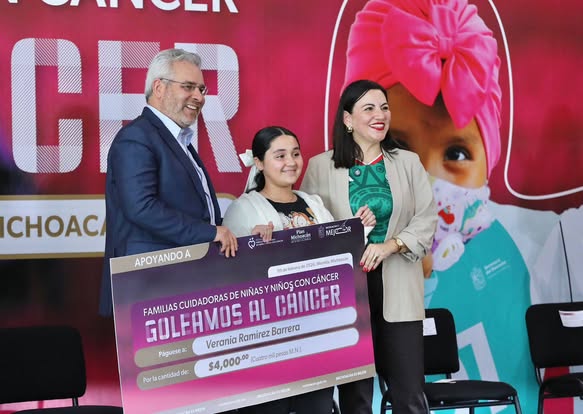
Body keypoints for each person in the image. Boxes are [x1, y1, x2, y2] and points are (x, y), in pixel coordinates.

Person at [341, 1, 557, 413]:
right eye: (396, 146)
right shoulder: (340, 221)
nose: (424, 175)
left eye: (456, 154)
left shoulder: (532, 253)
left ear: (487, 161)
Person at [301, 80, 437, 414]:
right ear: (347, 119)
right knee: (355, 397)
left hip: (399, 286)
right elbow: (309, 227)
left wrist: (391, 245)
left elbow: (427, 219)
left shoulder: (408, 162)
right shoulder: (320, 166)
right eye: (370, 108)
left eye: (385, 108)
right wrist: (349, 233)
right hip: (348, 292)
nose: (380, 115)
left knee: (409, 392)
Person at [223, 125, 376, 414]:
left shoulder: (314, 204)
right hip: (270, 340)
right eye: (280, 155)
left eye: (295, 154)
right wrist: (250, 247)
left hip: (317, 333)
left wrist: (359, 231)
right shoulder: (243, 209)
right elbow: (229, 276)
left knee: (316, 406)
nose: (291, 162)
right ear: (259, 162)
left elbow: (337, 258)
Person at [100, 48, 238, 316]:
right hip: (149, 284)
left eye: (201, 89)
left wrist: (237, 232)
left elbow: (197, 212)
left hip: (181, 282)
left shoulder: (179, 140)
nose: (199, 97)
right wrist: (210, 233)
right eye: (188, 87)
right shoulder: (137, 137)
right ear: (159, 88)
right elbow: (141, 208)